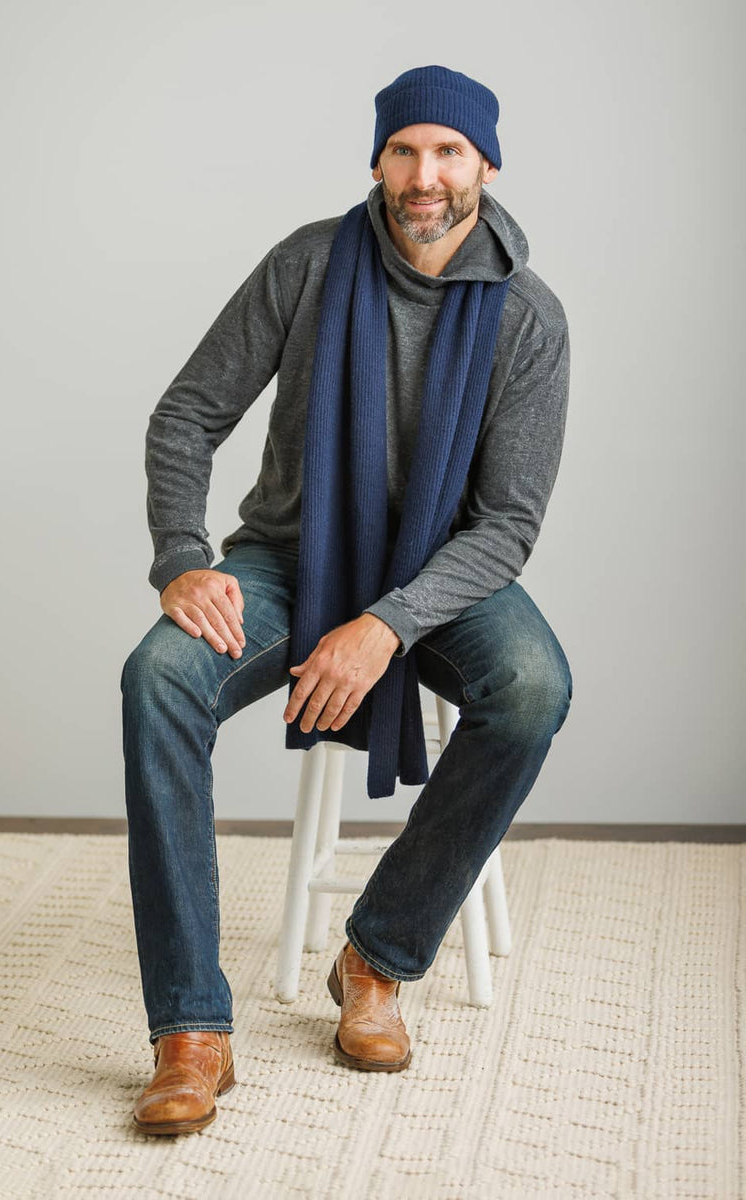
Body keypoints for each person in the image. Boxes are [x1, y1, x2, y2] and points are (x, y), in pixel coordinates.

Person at [121, 64, 573, 1136]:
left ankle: (377, 957)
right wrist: (181, 555)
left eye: (448, 152)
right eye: (404, 150)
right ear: (376, 162)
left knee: (531, 689)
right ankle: (190, 1031)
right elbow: (186, 414)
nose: (425, 176)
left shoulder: (527, 316)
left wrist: (384, 625)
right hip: (289, 556)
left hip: (443, 574)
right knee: (157, 678)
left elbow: (506, 526)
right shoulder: (309, 264)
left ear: (485, 166)